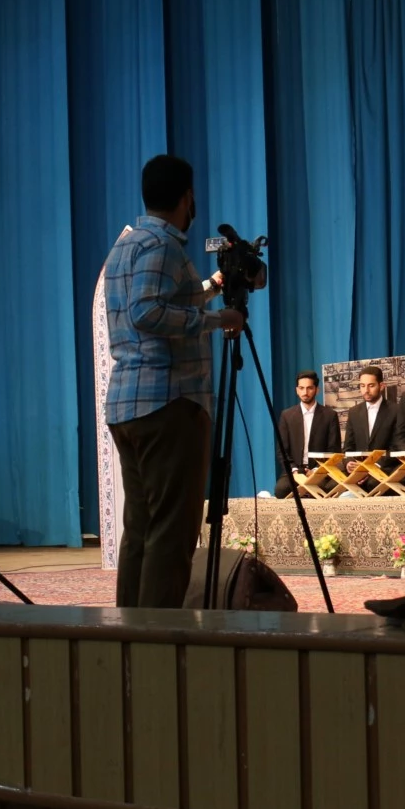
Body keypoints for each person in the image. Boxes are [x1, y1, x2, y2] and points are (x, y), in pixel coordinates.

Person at [103, 155, 245, 608]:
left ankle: (131, 632)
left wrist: (211, 287)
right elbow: (147, 311)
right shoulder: (163, 245)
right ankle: (159, 639)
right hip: (168, 402)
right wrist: (216, 319)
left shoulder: (127, 244)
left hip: (130, 404)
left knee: (143, 529)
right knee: (171, 533)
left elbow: (158, 299)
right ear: (188, 197)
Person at [275, 371, 341, 498]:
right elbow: (282, 451)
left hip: (320, 470)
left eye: (309, 388)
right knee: (281, 490)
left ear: (317, 390)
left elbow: (333, 450)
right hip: (295, 471)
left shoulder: (330, 415)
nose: (305, 392)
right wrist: (294, 470)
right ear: (297, 390)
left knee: (327, 489)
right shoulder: (287, 415)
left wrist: (316, 471)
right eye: (301, 388)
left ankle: (307, 492)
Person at [342, 365, 401, 491]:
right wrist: (349, 463)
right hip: (357, 469)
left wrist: (373, 466)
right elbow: (348, 447)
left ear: (382, 386)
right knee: (333, 485)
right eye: (362, 386)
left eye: (371, 385)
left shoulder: (396, 411)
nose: (366, 390)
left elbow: (397, 447)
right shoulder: (354, 412)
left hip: (383, 467)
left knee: (372, 484)